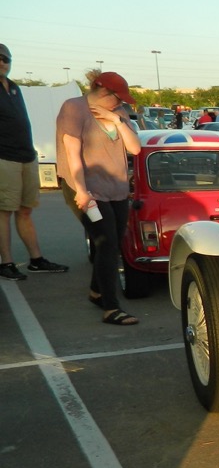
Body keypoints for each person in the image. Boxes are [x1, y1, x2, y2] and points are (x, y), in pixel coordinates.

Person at [56, 71, 141, 325]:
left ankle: (97, 291)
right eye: (118, 98)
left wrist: (117, 120)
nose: (121, 103)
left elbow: (135, 148)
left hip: (116, 189)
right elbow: (72, 154)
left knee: (114, 241)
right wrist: (82, 191)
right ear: (103, 92)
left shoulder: (119, 112)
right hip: (86, 188)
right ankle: (111, 307)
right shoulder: (74, 108)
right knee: (105, 242)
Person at [0, 43, 69, 280]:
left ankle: (36, 259)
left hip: (26, 156)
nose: (2, 63)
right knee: (4, 211)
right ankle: (6, 262)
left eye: (5, 59)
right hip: (4, 158)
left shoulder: (14, 88)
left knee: (26, 209)